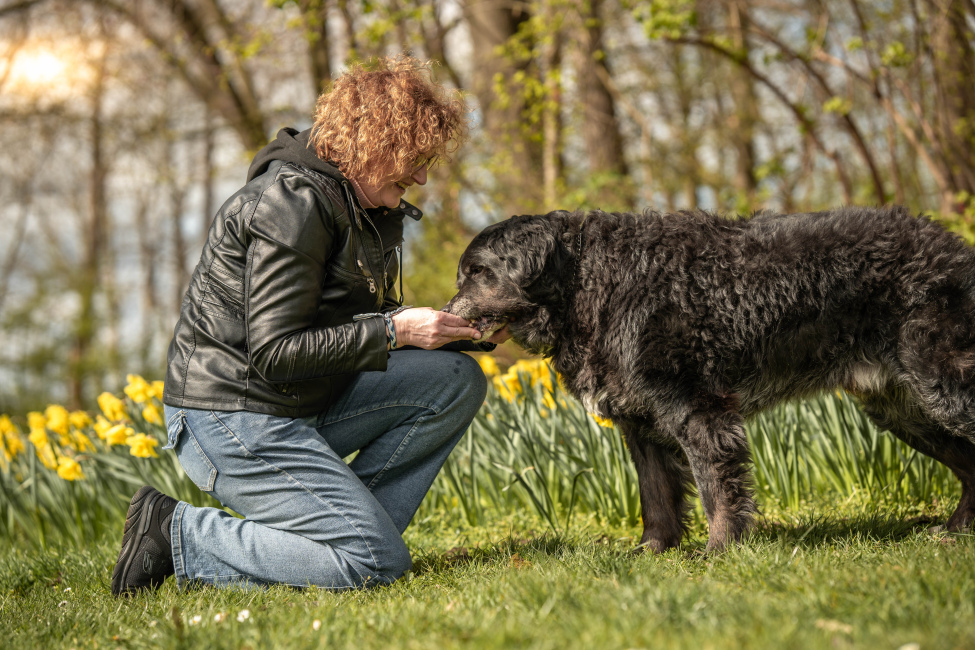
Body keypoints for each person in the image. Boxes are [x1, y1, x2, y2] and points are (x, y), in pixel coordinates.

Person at [110, 56, 509, 595]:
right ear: (373, 144)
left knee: (454, 381)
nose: (420, 175)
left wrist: (454, 329)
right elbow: (274, 350)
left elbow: (342, 323)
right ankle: (178, 533)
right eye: (414, 157)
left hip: (300, 401)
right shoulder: (291, 205)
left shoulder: (355, 204)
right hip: (232, 414)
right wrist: (397, 332)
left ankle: (334, 541)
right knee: (377, 565)